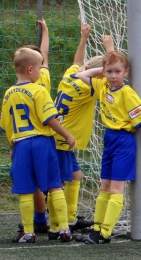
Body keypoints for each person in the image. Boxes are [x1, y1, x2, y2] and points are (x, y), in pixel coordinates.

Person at [0, 47, 75, 243]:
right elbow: (50, 119)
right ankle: (65, 229)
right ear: (31, 69)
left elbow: (7, 126)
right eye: (41, 68)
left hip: (21, 144)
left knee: (25, 189)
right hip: (42, 143)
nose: (41, 72)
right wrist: (67, 135)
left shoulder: (9, 94)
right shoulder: (39, 90)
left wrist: (12, 148)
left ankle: (28, 232)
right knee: (54, 185)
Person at [51, 24, 115, 238]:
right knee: (57, 183)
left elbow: (78, 61)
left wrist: (83, 39)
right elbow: (113, 77)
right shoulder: (90, 88)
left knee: (75, 176)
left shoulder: (71, 74)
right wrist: (110, 49)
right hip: (62, 138)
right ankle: (58, 225)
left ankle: (70, 218)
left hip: (58, 136)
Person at [76, 50, 141, 244]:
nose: (113, 76)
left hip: (123, 140)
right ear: (104, 72)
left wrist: (106, 66)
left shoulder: (127, 93)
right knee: (103, 186)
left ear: (126, 72)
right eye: (109, 71)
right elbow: (80, 75)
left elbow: (138, 120)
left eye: (117, 71)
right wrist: (102, 69)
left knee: (115, 188)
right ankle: (96, 228)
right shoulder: (102, 86)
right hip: (109, 139)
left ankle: (105, 232)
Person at [18, 19, 51, 233]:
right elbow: (45, 53)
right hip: (47, 134)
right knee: (49, 182)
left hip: (26, 138)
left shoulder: (18, 89)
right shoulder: (45, 76)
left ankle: (39, 220)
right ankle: (53, 221)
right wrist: (46, 31)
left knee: (33, 184)